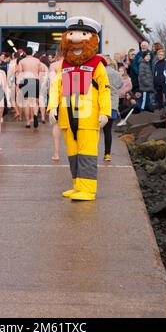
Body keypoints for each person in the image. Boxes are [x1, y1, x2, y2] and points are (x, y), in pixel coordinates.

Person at [48, 16, 111, 201]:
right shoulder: (65, 65)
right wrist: (52, 107)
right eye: (72, 34)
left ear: (93, 39)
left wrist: (105, 112)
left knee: (87, 153)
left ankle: (88, 189)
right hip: (68, 116)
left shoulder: (97, 64)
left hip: (88, 116)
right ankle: (77, 185)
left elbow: (105, 90)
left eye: (83, 34)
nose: (76, 39)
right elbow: (56, 87)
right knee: (73, 153)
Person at [17, 47, 44, 129]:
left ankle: (28, 122)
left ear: (25, 52)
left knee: (27, 102)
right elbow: (39, 72)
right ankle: (35, 115)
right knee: (35, 101)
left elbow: (20, 73)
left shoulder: (22, 61)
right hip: (35, 80)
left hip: (26, 81)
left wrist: (19, 84)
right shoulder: (37, 61)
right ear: (32, 52)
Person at [103, 57, 123, 162]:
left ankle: (91, 153)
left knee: (95, 130)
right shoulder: (117, 74)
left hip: (101, 103)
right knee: (108, 131)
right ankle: (107, 154)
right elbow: (121, 85)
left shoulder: (100, 71)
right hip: (113, 104)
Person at [48, 52, 63, 161]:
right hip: (74, 96)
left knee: (56, 124)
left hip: (58, 96)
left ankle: (57, 154)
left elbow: (52, 83)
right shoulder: (74, 64)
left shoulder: (54, 65)